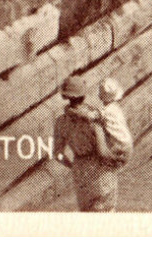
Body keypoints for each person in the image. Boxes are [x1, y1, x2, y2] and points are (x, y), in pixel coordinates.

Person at [52, 75, 119, 211]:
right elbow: (102, 151)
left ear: (66, 97)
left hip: (80, 172)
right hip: (100, 172)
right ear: (83, 95)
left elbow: (57, 154)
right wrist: (117, 161)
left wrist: (72, 165)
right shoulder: (93, 119)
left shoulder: (61, 122)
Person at [96, 77, 134, 166]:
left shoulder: (104, 112)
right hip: (127, 144)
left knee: (103, 161)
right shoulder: (116, 108)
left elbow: (94, 116)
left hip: (119, 147)